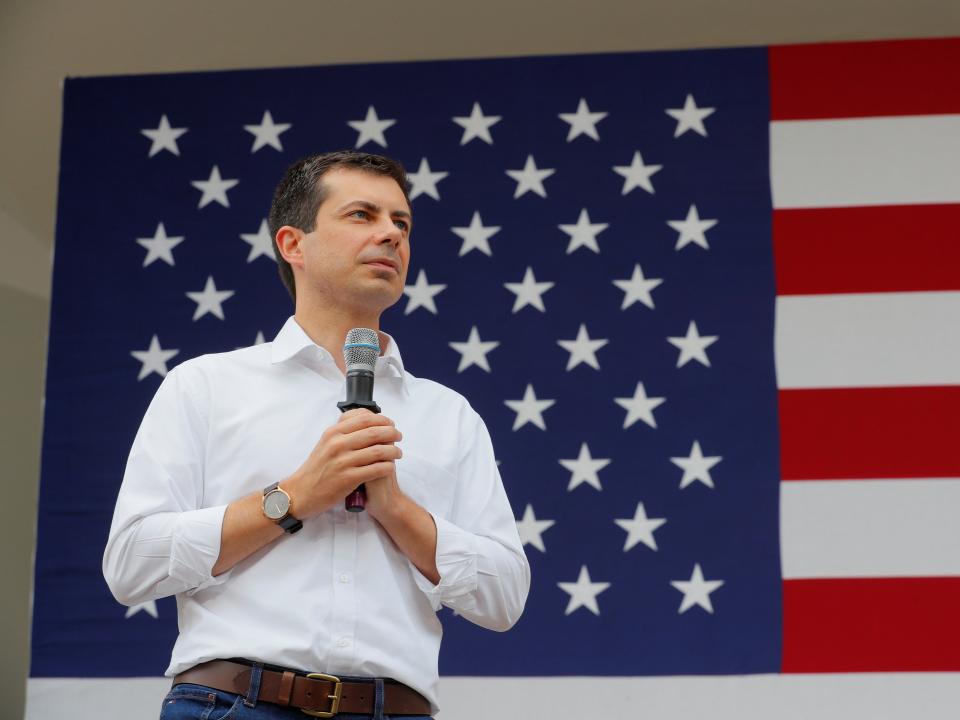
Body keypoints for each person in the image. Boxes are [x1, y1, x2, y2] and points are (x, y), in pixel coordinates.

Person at [103, 151, 531, 719]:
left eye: (401, 223)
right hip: (232, 704)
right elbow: (132, 564)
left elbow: (504, 597)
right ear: (292, 244)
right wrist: (294, 497)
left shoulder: (449, 414)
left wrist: (399, 511)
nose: (390, 235)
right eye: (362, 215)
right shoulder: (205, 386)